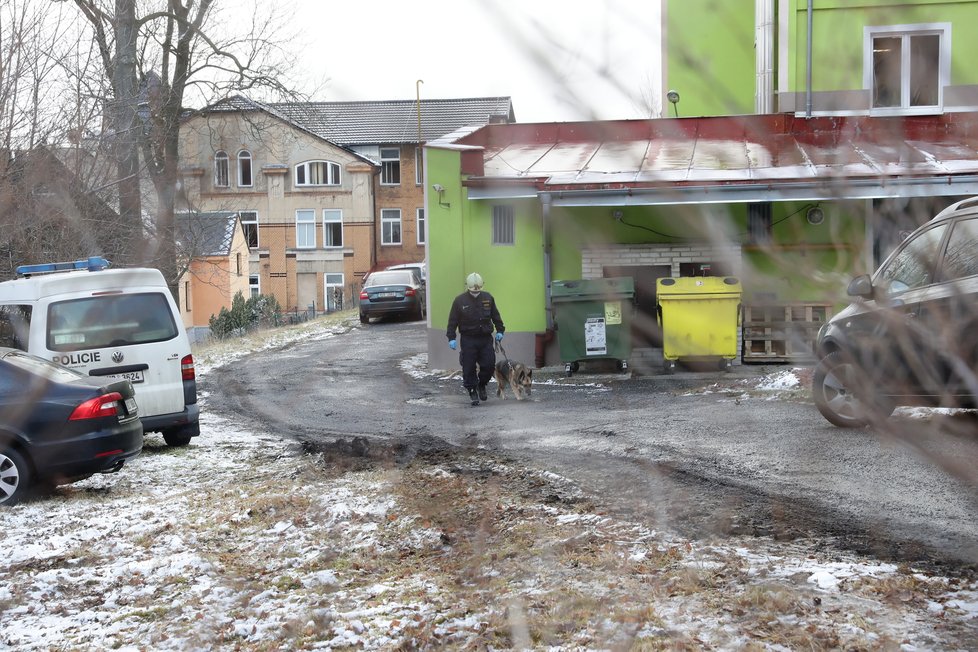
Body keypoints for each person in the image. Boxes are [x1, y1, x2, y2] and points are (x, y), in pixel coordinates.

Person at [446, 272, 505, 406]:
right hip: (468, 339)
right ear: (468, 287)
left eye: (478, 290)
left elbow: (496, 316)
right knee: (468, 366)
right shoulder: (459, 301)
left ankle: (482, 384)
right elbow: (452, 321)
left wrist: (500, 330)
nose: (476, 292)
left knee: (489, 365)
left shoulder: (488, 298)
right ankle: (472, 389)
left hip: (485, 338)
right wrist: (451, 337)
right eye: (473, 290)